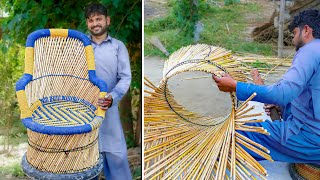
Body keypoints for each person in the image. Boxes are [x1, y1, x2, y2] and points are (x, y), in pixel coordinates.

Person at [212, 9, 320, 163]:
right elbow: (311, 98)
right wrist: (282, 107)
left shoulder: (310, 51)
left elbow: (282, 93)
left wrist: (235, 86)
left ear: (307, 30)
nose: (294, 40)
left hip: (312, 139)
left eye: (295, 33)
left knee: (239, 132)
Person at [85, 3, 132, 179]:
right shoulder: (81, 46)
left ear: (107, 20)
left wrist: (111, 98)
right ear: (87, 23)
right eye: (91, 20)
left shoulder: (118, 46)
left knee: (116, 156)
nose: (95, 23)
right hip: (84, 110)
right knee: (85, 159)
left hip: (108, 108)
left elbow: (125, 77)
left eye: (98, 19)